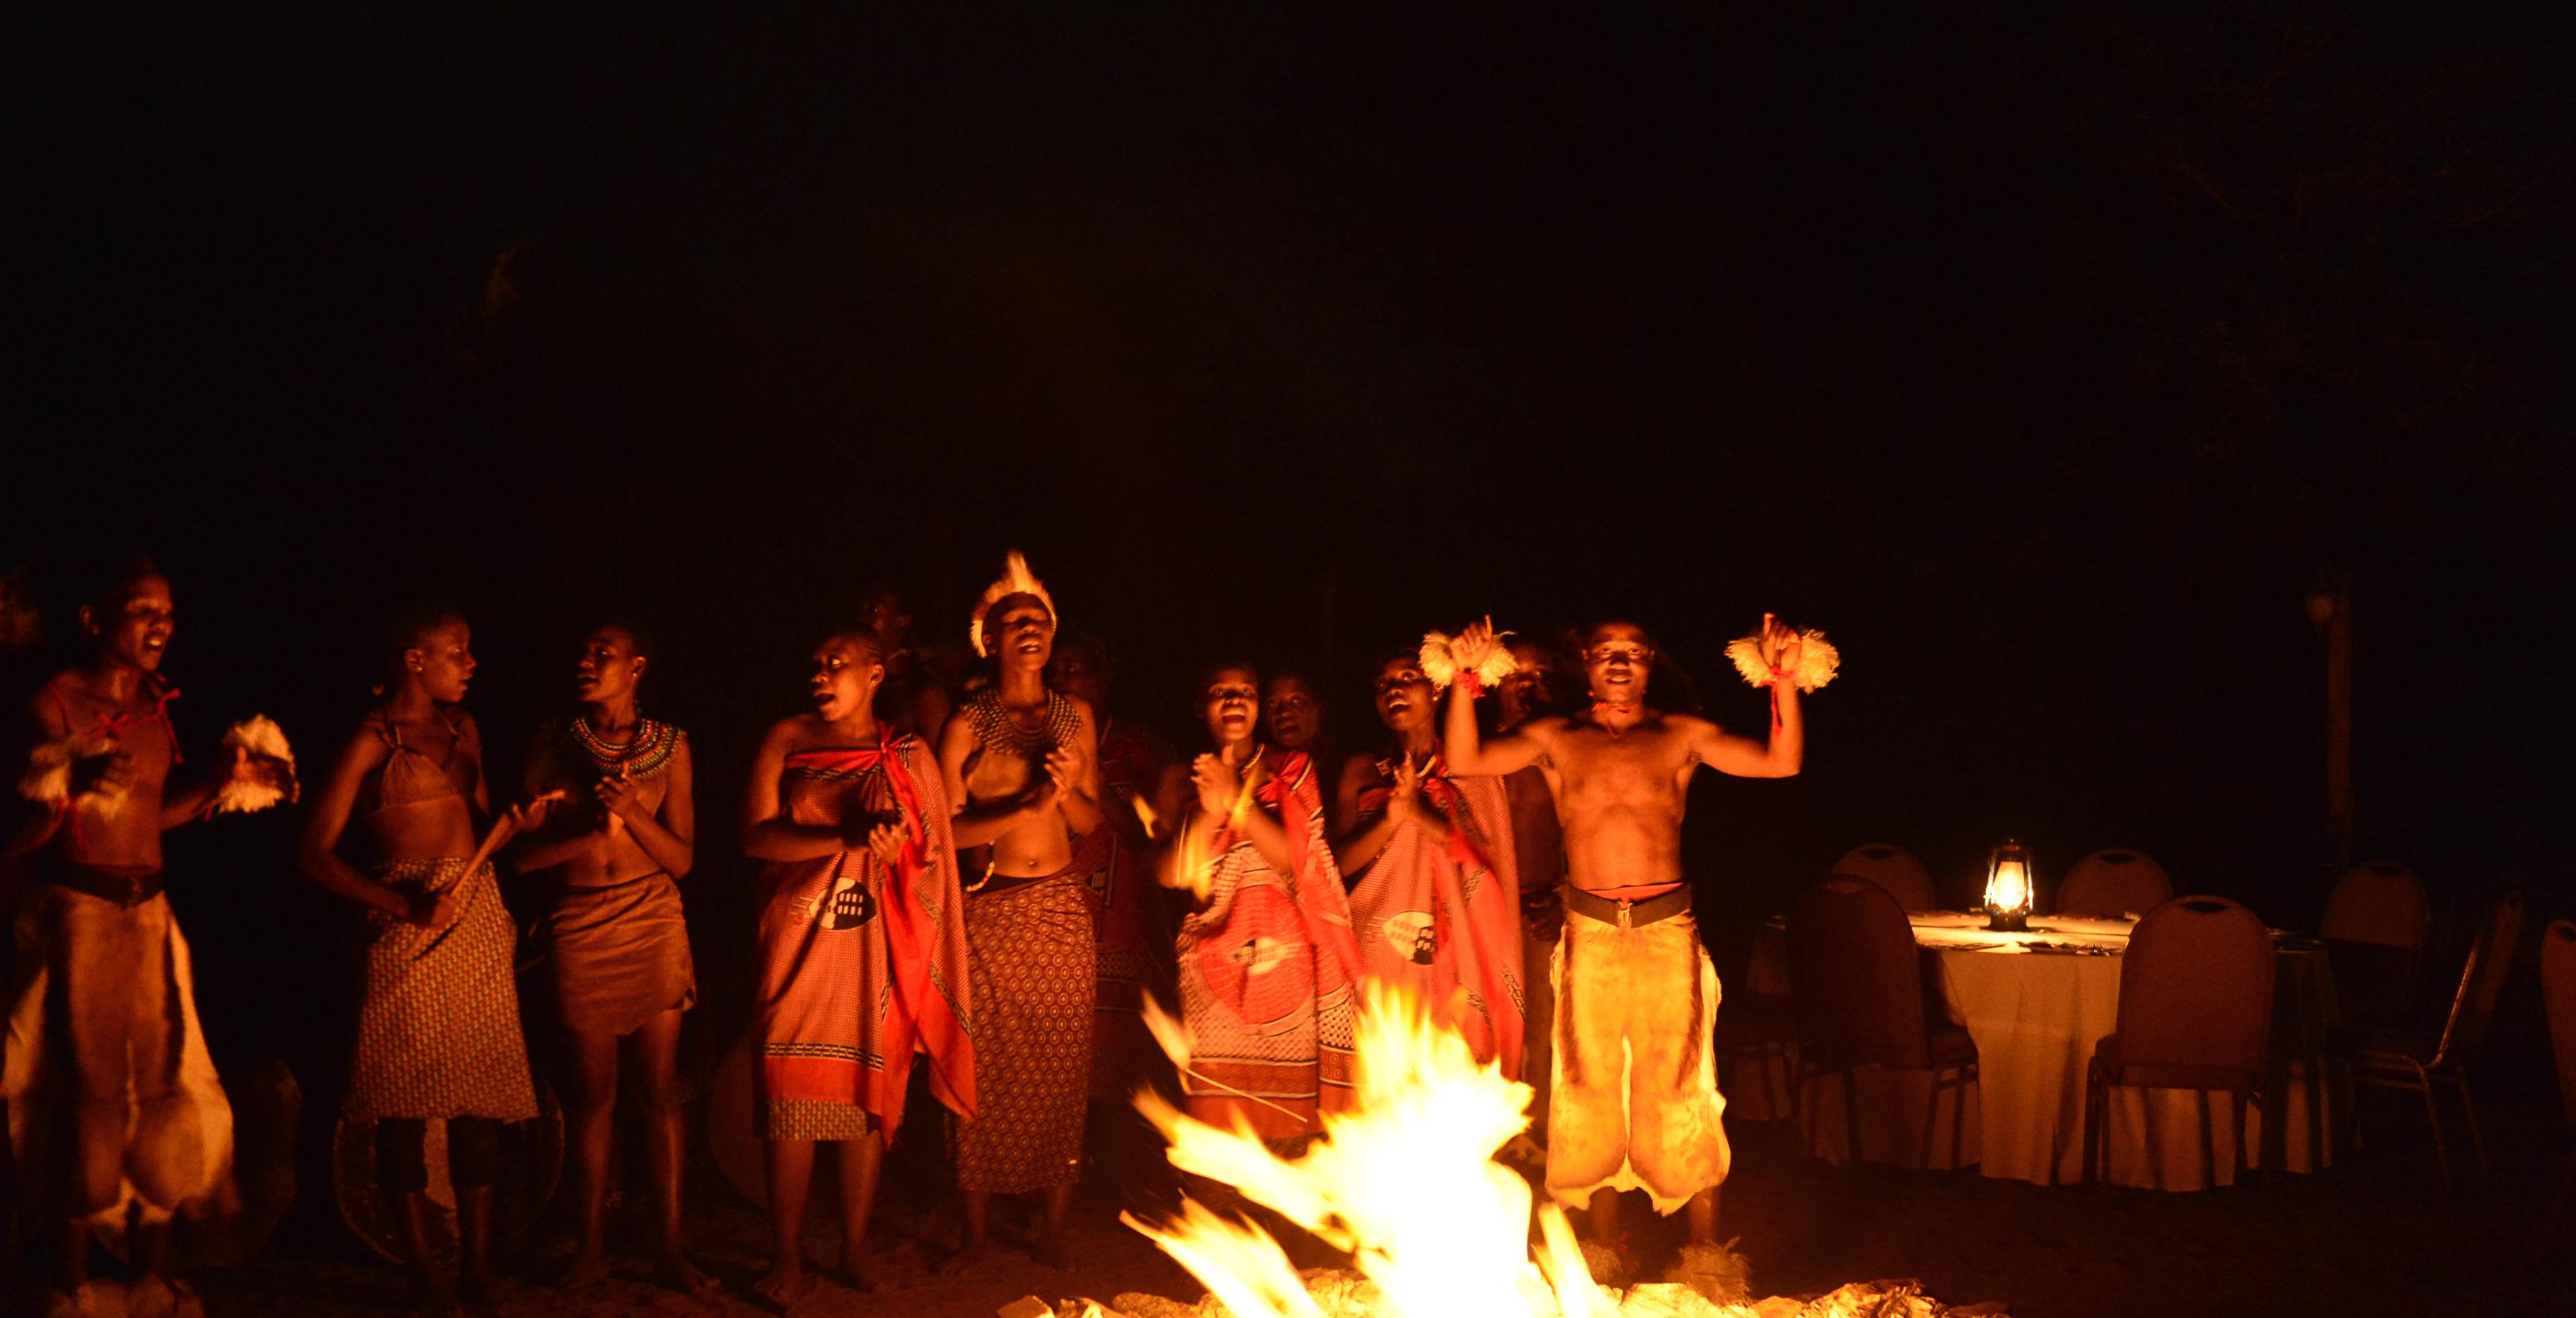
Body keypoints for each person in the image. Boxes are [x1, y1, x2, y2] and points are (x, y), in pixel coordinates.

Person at [1442, 614, 1804, 1267]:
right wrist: (1466, 681)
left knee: (1682, 1086)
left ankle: (1705, 1254)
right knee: (1589, 1089)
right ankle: (1605, 1247)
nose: (1619, 663)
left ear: (1649, 664)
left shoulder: (1679, 734)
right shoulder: (1556, 736)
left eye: (1633, 654)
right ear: (1585, 662)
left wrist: (1781, 680)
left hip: (1667, 933)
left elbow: (1781, 763)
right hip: (1590, 934)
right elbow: (1464, 760)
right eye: (1607, 652)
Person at [4, 559, 293, 1318]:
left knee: (163, 1093)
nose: (160, 623)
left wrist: (230, 780)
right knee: (80, 1105)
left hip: (153, 920)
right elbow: (21, 835)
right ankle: (70, 1290)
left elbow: (150, 813)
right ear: (95, 621)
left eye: (167, 610)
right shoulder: (54, 704)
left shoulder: (157, 707)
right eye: (141, 609)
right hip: (78, 918)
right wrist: (62, 789)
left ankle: (149, 1282)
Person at [295, 604, 543, 1313]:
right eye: (456, 651)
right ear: (413, 659)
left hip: (475, 923)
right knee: (403, 1108)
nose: (471, 664)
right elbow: (312, 854)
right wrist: (404, 907)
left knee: (479, 1105)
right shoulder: (371, 742)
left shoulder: (466, 730)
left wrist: (515, 825)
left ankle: (473, 1269)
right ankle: (421, 1272)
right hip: (404, 930)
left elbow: (484, 827)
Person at [744, 627, 973, 1301]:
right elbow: (755, 837)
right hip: (796, 932)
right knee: (788, 1087)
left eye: (836, 664)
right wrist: (842, 834)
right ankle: (784, 1255)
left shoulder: (904, 753)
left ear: (874, 674)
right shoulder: (786, 739)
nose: (820, 675)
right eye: (814, 665)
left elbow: (933, 859)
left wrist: (898, 844)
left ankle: (852, 1249)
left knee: (865, 1094)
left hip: (876, 938)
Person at [511, 622, 710, 1293]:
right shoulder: (553, 743)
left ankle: (671, 1249)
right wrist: (592, 832)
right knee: (594, 1098)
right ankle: (591, 1248)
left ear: (638, 668)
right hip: (580, 926)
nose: (586, 661)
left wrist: (632, 812)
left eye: (604, 654)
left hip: (652, 919)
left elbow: (681, 860)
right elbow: (522, 857)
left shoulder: (671, 747)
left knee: (658, 1092)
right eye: (584, 650)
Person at [935, 554, 1100, 1270]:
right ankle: (974, 1234)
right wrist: (1023, 806)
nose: (1028, 629)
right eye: (1013, 622)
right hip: (991, 909)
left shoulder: (1076, 717)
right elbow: (943, 833)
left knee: (1063, 1066)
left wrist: (1063, 794)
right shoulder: (967, 724)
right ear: (990, 641)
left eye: (1038, 620)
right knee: (984, 1069)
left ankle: (1052, 1229)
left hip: (1061, 907)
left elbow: (1091, 821)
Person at [1155, 665, 1361, 1142]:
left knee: (1290, 1128)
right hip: (1215, 964)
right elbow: (1170, 873)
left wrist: (1236, 802)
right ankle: (1218, 1208)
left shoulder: (1290, 767)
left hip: (1289, 962)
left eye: (1245, 692)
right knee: (1219, 1124)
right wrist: (1209, 814)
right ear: (1199, 708)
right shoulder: (1179, 778)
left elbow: (1296, 860)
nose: (1233, 700)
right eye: (1220, 692)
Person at [1334, 653, 1522, 1074]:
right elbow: (1341, 865)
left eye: (1408, 678)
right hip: (1382, 943)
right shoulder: (1363, 771)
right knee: (1387, 1070)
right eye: (1383, 684)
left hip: (1459, 949)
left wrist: (1421, 814)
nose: (1394, 690)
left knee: (1452, 1075)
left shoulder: (1471, 765)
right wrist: (1392, 817)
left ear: (1436, 689)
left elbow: (1488, 861)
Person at [1045, 634, 1177, 1180]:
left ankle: (1121, 1176)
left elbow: (1160, 840)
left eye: (1078, 669)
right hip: (1056, 913)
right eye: (1059, 670)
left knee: (1122, 1053)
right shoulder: (1037, 737)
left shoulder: (1142, 747)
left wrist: (1095, 788)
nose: (1065, 679)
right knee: (1055, 1054)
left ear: (1104, 678)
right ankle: (1053, 1176)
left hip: (1125, 918)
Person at [1495, 638, 1570, 1135]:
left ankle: (1544, 1149)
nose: (1528, 685)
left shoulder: (1566, 750)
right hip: (1480, 916)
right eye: (1515, 675)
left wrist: (1565, 896)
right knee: (1483, 1033)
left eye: (1539, 674)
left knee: (1544, 1037)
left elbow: (1591, 832)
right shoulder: (1474, 751)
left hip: (1541, 908)